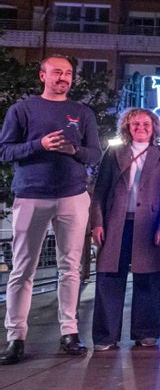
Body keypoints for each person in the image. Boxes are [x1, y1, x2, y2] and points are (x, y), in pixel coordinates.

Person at [0, 55, 101, 364]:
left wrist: (74, 150)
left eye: (68, 73)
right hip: (31, 195)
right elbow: (4, 150)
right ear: (42, 75)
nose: (64, 77)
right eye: (57, 72)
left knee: (70, 267)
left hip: (73, 195)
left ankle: (69, 333)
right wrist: (39, 145)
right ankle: (16, 338)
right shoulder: (22, 110)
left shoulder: (81, 112)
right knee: (22, 269)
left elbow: (95, 154)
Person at [90, 108, 160, 351]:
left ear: (154, 128)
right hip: (115, 224)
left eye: (146, 124)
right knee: (109, 278)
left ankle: (146, 332)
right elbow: (100, 191)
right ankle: (105, 336)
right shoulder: (114, 153)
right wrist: (97, 222)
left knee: (148, 278)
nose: (141, 128)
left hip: (148, 227)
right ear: (127, 128)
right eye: (135, 124)